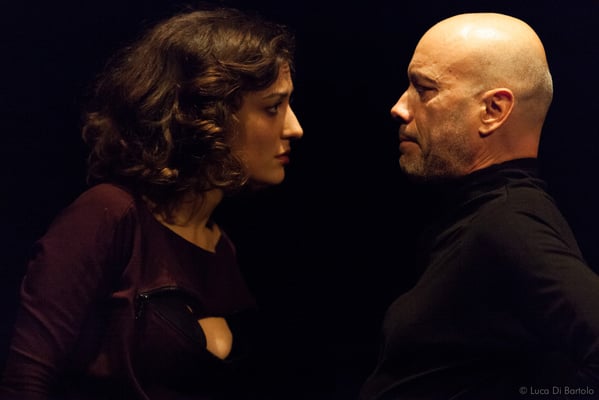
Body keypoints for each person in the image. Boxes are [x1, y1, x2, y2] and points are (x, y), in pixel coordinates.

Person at [0, 5, 303, 400]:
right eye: (272, 107)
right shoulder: (109, 215)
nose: (295, 127)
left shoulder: (221, 246)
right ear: (207, 113)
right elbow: (24, 383)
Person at [359, 12, 599, 400]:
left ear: (493, 111)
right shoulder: (480, 215)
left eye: (424, 89)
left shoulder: (511, 224)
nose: (399, 107)